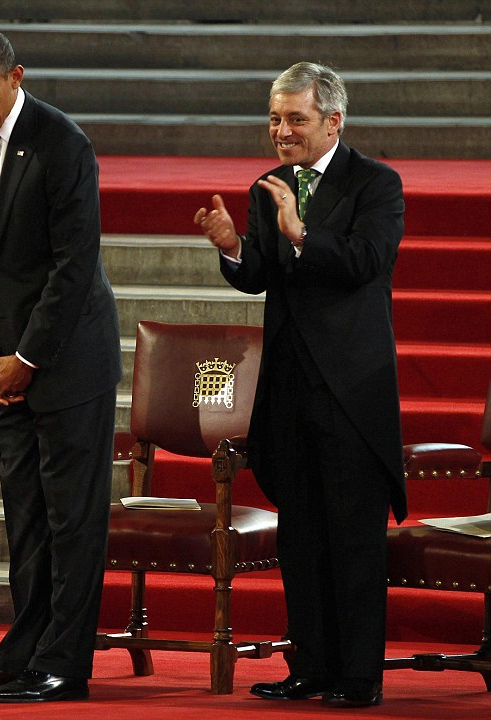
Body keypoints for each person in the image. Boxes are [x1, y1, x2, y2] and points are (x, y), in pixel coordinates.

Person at [194, 61, 406, 709]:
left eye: (296, 120)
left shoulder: (376, 184)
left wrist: (301, 234)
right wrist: (234, 247)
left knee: (352, 537)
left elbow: (368, 261)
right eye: (274, 119)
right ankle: (309, 667)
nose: (281, 132)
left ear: (332, 121)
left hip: (351, 390)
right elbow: (260, 274)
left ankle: (357, 678)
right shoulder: (270, 185)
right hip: (289, 390)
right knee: (303, 535)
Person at [0, 29, 122, 704]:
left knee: (72, 521)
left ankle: (64, 666)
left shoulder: (63, 142)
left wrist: (28, 357)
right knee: (26, 519)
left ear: (15, 76)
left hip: (67, 362)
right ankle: (23, 654)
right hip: (6, 368)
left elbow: (74, 266)